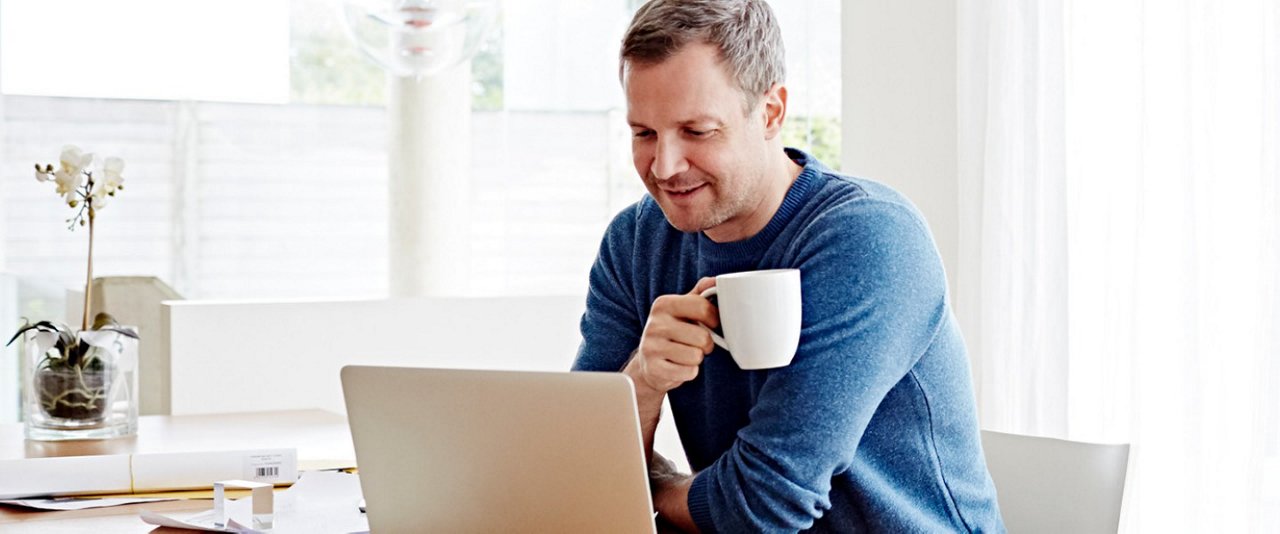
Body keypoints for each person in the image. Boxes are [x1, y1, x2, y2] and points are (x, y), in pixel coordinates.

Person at [572, 0, 1004, 531]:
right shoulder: (635, 242)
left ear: (771, 111)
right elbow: (578, 469)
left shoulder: (868, 239)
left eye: (698, 131)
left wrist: (653, 485)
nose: (664, 166)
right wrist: (640, 382)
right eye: (644, 133)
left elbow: (764, 506)